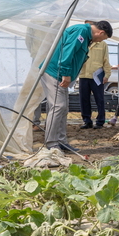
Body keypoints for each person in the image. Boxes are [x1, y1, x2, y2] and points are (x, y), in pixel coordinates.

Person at [40, 20, 113, 150]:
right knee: (58, 106)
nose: (100, 41)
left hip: (59, 74)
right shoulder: (81, 32)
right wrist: (66, 73)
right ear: (100, 32)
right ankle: (51, 143)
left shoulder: (85, 35)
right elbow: (68, 52)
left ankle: (61, 142)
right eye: (102, 38)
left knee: (63, 108)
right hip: (54, 73)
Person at [77, 29, 113, 129]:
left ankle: (100, 121)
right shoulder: (83, 41)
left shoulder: (103, 44)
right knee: (84, 99)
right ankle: (87, 121)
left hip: (97, 75)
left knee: (99, 99)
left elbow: (106, 60)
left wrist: (107, 75)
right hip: (83, 75)